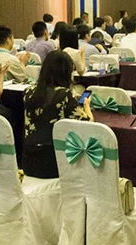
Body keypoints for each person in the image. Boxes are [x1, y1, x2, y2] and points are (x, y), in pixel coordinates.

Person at [23, 51, 93, 179]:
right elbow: (88, 123)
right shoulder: (64, 95)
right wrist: (86, 105)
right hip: (52, 163)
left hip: (28, 160)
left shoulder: (29, 91)